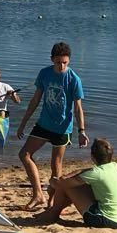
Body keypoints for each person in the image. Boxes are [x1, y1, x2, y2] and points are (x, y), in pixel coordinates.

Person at [16, 41, 87, 211]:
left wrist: (81, 131)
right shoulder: (45, 74)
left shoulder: (74, 79)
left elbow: (78, 108)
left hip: (62, 128)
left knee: (56, 165)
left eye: (65, 62)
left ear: (69, 61)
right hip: (44, 123)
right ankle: (38, 195)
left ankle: (52, 200)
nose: (61, 66)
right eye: (58, 62)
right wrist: (23, 123)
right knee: (24, 154)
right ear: (52, 59)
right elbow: (35, 100)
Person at [46, 138, 117, 228]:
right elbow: (86, 171)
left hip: (102, 219)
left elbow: (61, 184)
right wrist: (70, 175)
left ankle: (53, 215)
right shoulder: (114, 166)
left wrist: (52, 181)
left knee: (67, 186)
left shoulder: (96, 173)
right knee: (81, 184)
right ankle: (54, 211)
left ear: (92, 157)